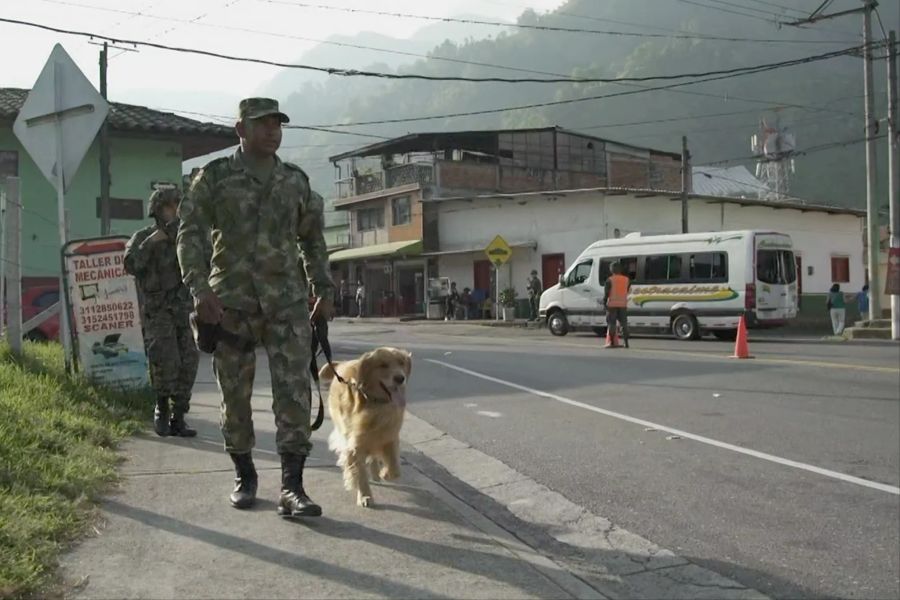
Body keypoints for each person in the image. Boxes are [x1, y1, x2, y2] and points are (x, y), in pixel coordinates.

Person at [177, 97, 334, 519]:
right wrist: (198, 289)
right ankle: (244, 475)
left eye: (277, 123)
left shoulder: (295, 182)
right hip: (231, 304)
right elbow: (189, 233)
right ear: (240, 129)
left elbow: (313, 240)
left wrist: (323, 286)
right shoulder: (215, 178)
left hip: (287, 301)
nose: (272, 131)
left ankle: (293, 487)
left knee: (294, 393)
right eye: (262, 124)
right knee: (235, 395)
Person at [124, 188, 199, 438]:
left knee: (188, 362)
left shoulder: (186, 237)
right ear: (157, 209)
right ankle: (161, 409)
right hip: (158, 312)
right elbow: (131, 264)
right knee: (164, 361)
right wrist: (152, 242)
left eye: (179, 203)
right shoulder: (144, 237)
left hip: (184, 311)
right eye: (171, 204)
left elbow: (205, 262)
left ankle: (179, 416)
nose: (176, 208)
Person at [603, 262, 631, 348]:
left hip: (612, 304)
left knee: (612, 324)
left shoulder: (609, 280)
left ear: (612, 270)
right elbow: (627, 290)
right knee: (624, 324)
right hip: (623, 304)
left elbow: (606, 294)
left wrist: (604, 303)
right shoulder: (627, 280)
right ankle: (626, 343)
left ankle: (611, 343)